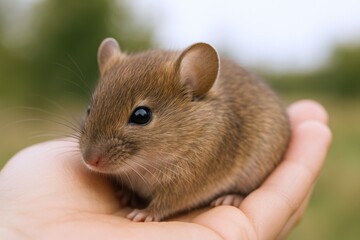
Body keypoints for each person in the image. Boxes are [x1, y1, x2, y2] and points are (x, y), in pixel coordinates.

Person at [0, 100, 331, 240]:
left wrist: (159, 208)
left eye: (140, 117)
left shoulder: (205, 132)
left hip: (243, 160)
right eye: (91, 112)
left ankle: (240, 192)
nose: (92, 155)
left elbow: (198, 176)